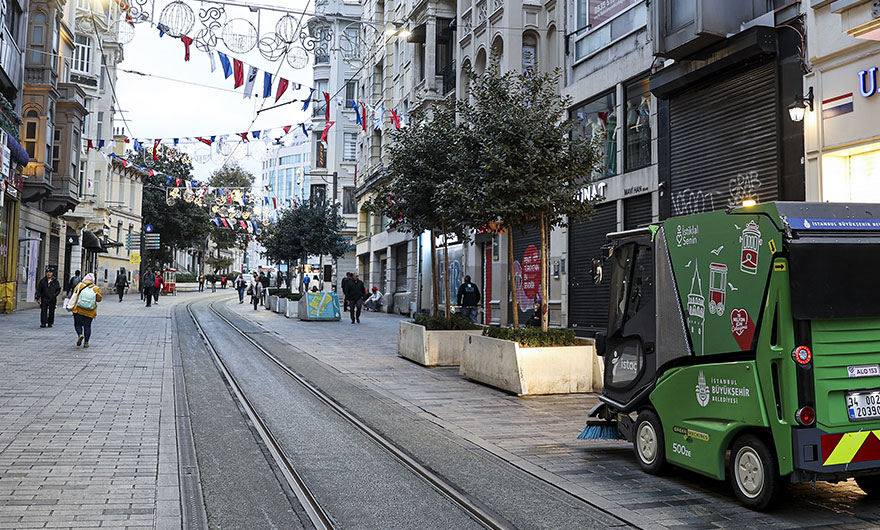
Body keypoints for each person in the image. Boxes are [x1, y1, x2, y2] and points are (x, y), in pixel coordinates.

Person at [70, 273, 101, 348]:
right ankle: (86, 342)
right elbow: (99, 299)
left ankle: (80, 334)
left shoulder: (80, 285)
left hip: (78, 309)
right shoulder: (96, 288)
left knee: (77, 324)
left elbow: (74, 293)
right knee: (87, 326)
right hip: (90, 311)